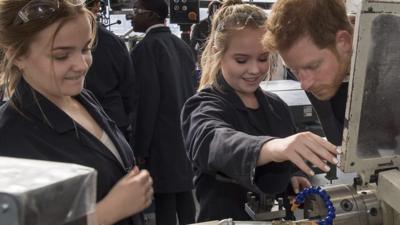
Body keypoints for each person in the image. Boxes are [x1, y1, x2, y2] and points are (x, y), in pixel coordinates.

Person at [180, 0, 340, 221]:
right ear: (219, 53)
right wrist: (272, 146)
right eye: (241, 60)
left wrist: (293, 176)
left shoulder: (277, 107)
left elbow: (287, 163)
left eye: (263, 58)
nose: (255, 69)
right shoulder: (202, 106)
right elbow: (214, 141)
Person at [0, 1, 153, 225]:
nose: (81, 65)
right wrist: (103, 214)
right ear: (18, 56)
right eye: (61, 56)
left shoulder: (84, 99)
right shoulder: (9, 136)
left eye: (85, 49)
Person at [129, 0, 197, 224]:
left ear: (151, 16)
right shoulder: (182, 46)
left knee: (165, 202)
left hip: (160, 141)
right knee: (185, 196)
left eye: (136, 12)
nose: (132, 17)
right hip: (185, 136)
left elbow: (146, 104)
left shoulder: (145, 50)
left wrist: (139, 149)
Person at [263, 0, 353, 146]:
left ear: (344, 42)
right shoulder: (316, 65)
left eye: (312, 66)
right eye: (294, 70)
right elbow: (338, 139)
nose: (304, 84)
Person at [85, 0, 139, 142]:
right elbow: (129, 89)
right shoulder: (113, 43)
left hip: (77, 123)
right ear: (96, 7)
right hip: (113, 121)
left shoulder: (57, 41)